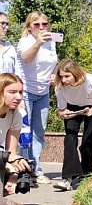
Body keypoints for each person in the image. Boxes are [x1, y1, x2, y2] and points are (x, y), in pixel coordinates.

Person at [16, 11, 59, 186]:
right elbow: (26, 59)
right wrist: (38, 43)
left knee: (38, 132)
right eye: (37, 25)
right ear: (29, 27)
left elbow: (53, 63)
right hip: (26, 90)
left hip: (43, 91)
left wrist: (55, 75)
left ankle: (36, 169)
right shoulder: (25, 41)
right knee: (24, 131)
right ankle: (23, 170)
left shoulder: (52, 42)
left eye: (45, 24)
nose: (42, 28)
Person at [52, 59, 92, 191]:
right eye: (61, 76)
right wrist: (64, 114)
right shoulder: (60, 88)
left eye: (67, 76)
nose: (64, 80)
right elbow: (61, 110)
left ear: (75, 73)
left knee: (89, 139)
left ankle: (87, 171)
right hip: (72, 108)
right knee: (70, 138)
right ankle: (68, 177)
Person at [0, 73, 28, 197]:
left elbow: (11, 153)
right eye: (12, 92)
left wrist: (14, 174)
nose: (18, 97)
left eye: (20, 92)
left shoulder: (15, 115)